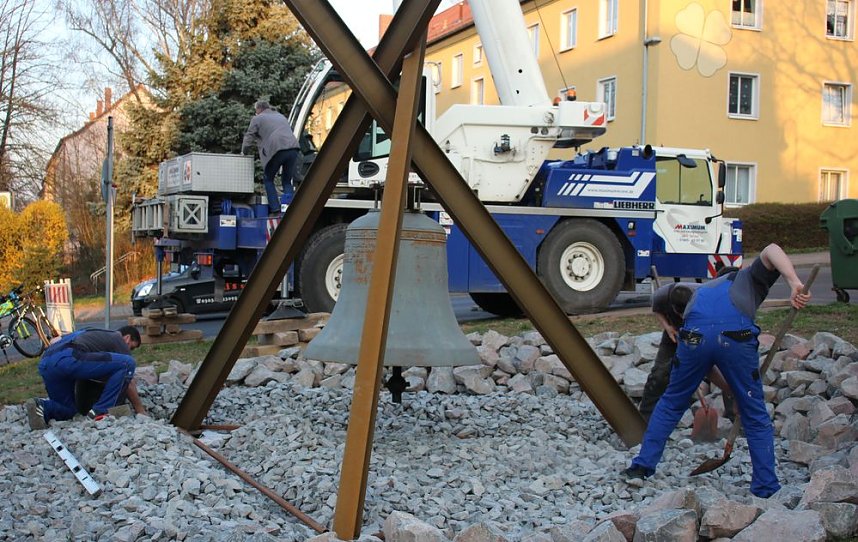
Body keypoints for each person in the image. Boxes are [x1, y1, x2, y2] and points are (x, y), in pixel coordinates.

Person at [624, 244, 811, 498]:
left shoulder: (704, 290)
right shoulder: (749, 276)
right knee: (755, 413)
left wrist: (733, 390)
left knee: (670, 403)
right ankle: (765, 487)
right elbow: (772, 248)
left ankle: (641, 467)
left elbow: (708, 364)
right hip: (736, 336)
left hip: (693, 337)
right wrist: (794, 283)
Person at [639, 274, 737, 423]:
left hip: (705, 331)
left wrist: (724, 384)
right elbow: (657, 310)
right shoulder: (662, 295)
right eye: (679, 313)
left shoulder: (708, 301)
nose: (682, 315)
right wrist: (668, 327)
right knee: (659, 374)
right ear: (672, 306)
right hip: (674, 331)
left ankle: (735, 415)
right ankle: (645, 418)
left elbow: (707, 360)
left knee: (727, 370)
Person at [25, 326, 145, 430]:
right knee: (127, 363)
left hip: (47, 362)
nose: (130, 351)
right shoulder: (119, 340)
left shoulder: (90, 332)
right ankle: (101, 411)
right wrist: (140, 410)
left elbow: (54, 340)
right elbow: (128, 382)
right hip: (69, 357)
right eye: (132, 348)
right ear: (127, 338)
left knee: (69, 410)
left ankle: (41, 406)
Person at [241, 100, 300, 216]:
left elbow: (249, 136)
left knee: (268, 179)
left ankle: (275, 209)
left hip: (277, 149)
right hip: (293, 148)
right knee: (287, 181)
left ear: (258, 109)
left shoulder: (257, 119)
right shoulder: (281, 116)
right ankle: (288, 210)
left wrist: (244, 152)